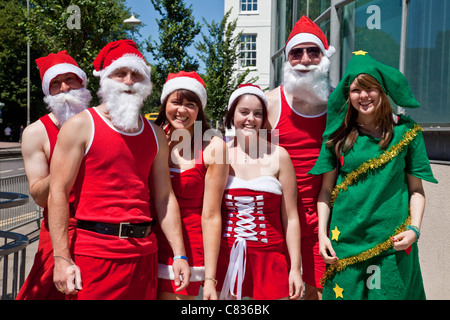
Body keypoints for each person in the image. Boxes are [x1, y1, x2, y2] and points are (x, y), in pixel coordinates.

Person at [47, 39, 190, 300]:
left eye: (136, 74)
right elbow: (57, 192)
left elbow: (164, 198)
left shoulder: (156, 135)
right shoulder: (81, 126)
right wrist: (61, 258)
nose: (128, 80)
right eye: (120, 73)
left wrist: (179, 253)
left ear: (145, 83)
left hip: (145, 254)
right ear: (105, 79)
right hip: (95, 256)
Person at [310, 51, 438, 300]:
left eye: (370, 88)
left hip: (392, 244)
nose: (364, 96)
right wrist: (322, 235)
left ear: (382, 90)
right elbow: (325, 191)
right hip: (344, 244)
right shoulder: (337, 136)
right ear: (348, 94)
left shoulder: (407, 132)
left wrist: (414, 229)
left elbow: (416, 190)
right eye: (356, 90)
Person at [265, 15, 335, 300]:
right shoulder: (270, 103)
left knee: (319, 293)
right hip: (278, 217)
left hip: (326, 216)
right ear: (287, 59)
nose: (305, 59)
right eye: (297, 52)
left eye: (313, 51)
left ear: (324, 57)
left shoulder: (340, 104)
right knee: (282, 293)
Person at [216, 84, 303, 300]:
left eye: (258, 113)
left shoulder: (279, 155)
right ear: (231, 114)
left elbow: (291, 217)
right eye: (243, 112)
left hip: (271, 261)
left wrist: (295, 268)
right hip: (228, 260)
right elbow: (209, 214)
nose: (250, 119)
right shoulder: (219, 155)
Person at [16, 50, 91, 300]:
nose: (64, 88)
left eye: (70, 79)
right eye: (55, 83)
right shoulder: (36, 132)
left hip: (102, 234)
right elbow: (38, 195)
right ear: (48, 92)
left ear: (82, 83)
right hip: (61, 234)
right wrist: (66, 163)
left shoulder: (104, 122)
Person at [153, 71, 228, 300]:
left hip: (190, 247)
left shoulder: (214, 147)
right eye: (175, 102)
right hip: (148, 243)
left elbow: (212, 215)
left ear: (200, 109)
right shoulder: (153, 137)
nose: (182, 110)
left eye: (190, 104)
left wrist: (210, 279)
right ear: (165, 103)